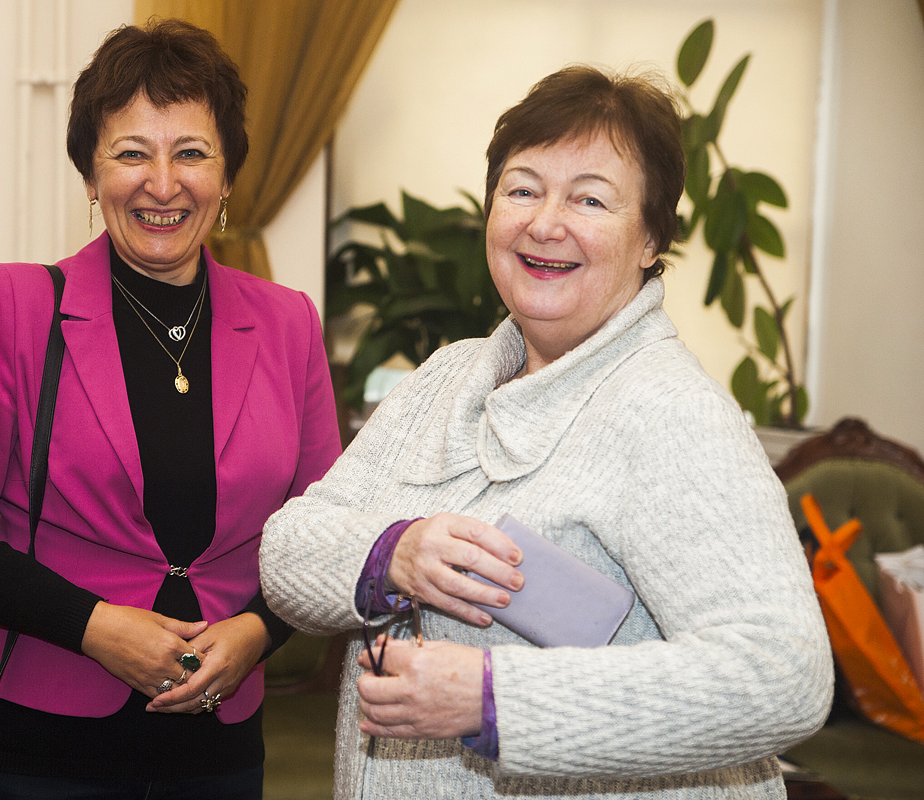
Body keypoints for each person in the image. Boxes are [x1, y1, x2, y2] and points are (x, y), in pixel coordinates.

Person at [260, 65, 832, 799]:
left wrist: (494, 699)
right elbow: (287, 550)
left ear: (651, 238)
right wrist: (393, 553)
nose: (544, 223)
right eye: (523, 189)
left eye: (589, 199)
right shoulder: (445, 377)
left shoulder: (671, 411)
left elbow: (782, 674)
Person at [0, 18, 341, 799]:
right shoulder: (15, 305)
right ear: (90, 177)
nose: (162, 184)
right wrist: (96, 626)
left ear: (228, 176)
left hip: (218, 748)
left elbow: (327, 533)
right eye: (131, 153)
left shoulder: (286, 322)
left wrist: (258, 632)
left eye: (191, 153)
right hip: (30, 746)